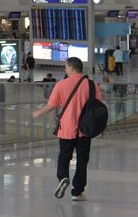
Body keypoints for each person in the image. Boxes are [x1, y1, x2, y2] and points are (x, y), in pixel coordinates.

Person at [32, 57, 103, 201]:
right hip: (85, 130)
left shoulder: (61, 84)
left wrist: (38, 112)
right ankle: (77, 192)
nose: (65, 69)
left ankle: (63, 177)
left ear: (71, 68)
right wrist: (101, 128)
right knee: (82, 161)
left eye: (66, 67)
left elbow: (51, 106)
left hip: (67, 129)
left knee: (64, 157)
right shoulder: (92, 85)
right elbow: (98, 109)